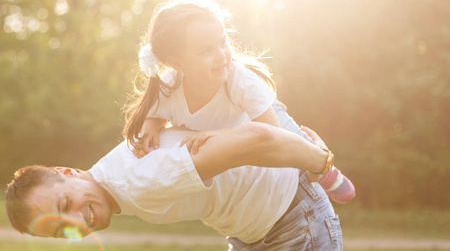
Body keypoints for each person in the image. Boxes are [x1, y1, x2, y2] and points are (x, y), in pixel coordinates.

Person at [123, 0, 354, 203]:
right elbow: (154, 114)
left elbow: (272, 133)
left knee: (297, 146)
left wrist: (219, 135)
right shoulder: (168, 86)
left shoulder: (238, 79)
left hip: (266, 125)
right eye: (206, 50)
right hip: (242, 135)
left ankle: (328, 169)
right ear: (177, 63)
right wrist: (150, 127)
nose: (222, 55)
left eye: (223, 42)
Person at [6, 121, 342, 250]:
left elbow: (259, 137)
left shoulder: (138, 182)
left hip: (294, 226)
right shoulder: (115, 173)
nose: (77, 224)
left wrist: (319, 163)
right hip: (254, 235)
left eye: (66, 206)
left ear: (67, 172)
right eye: (60, 229)